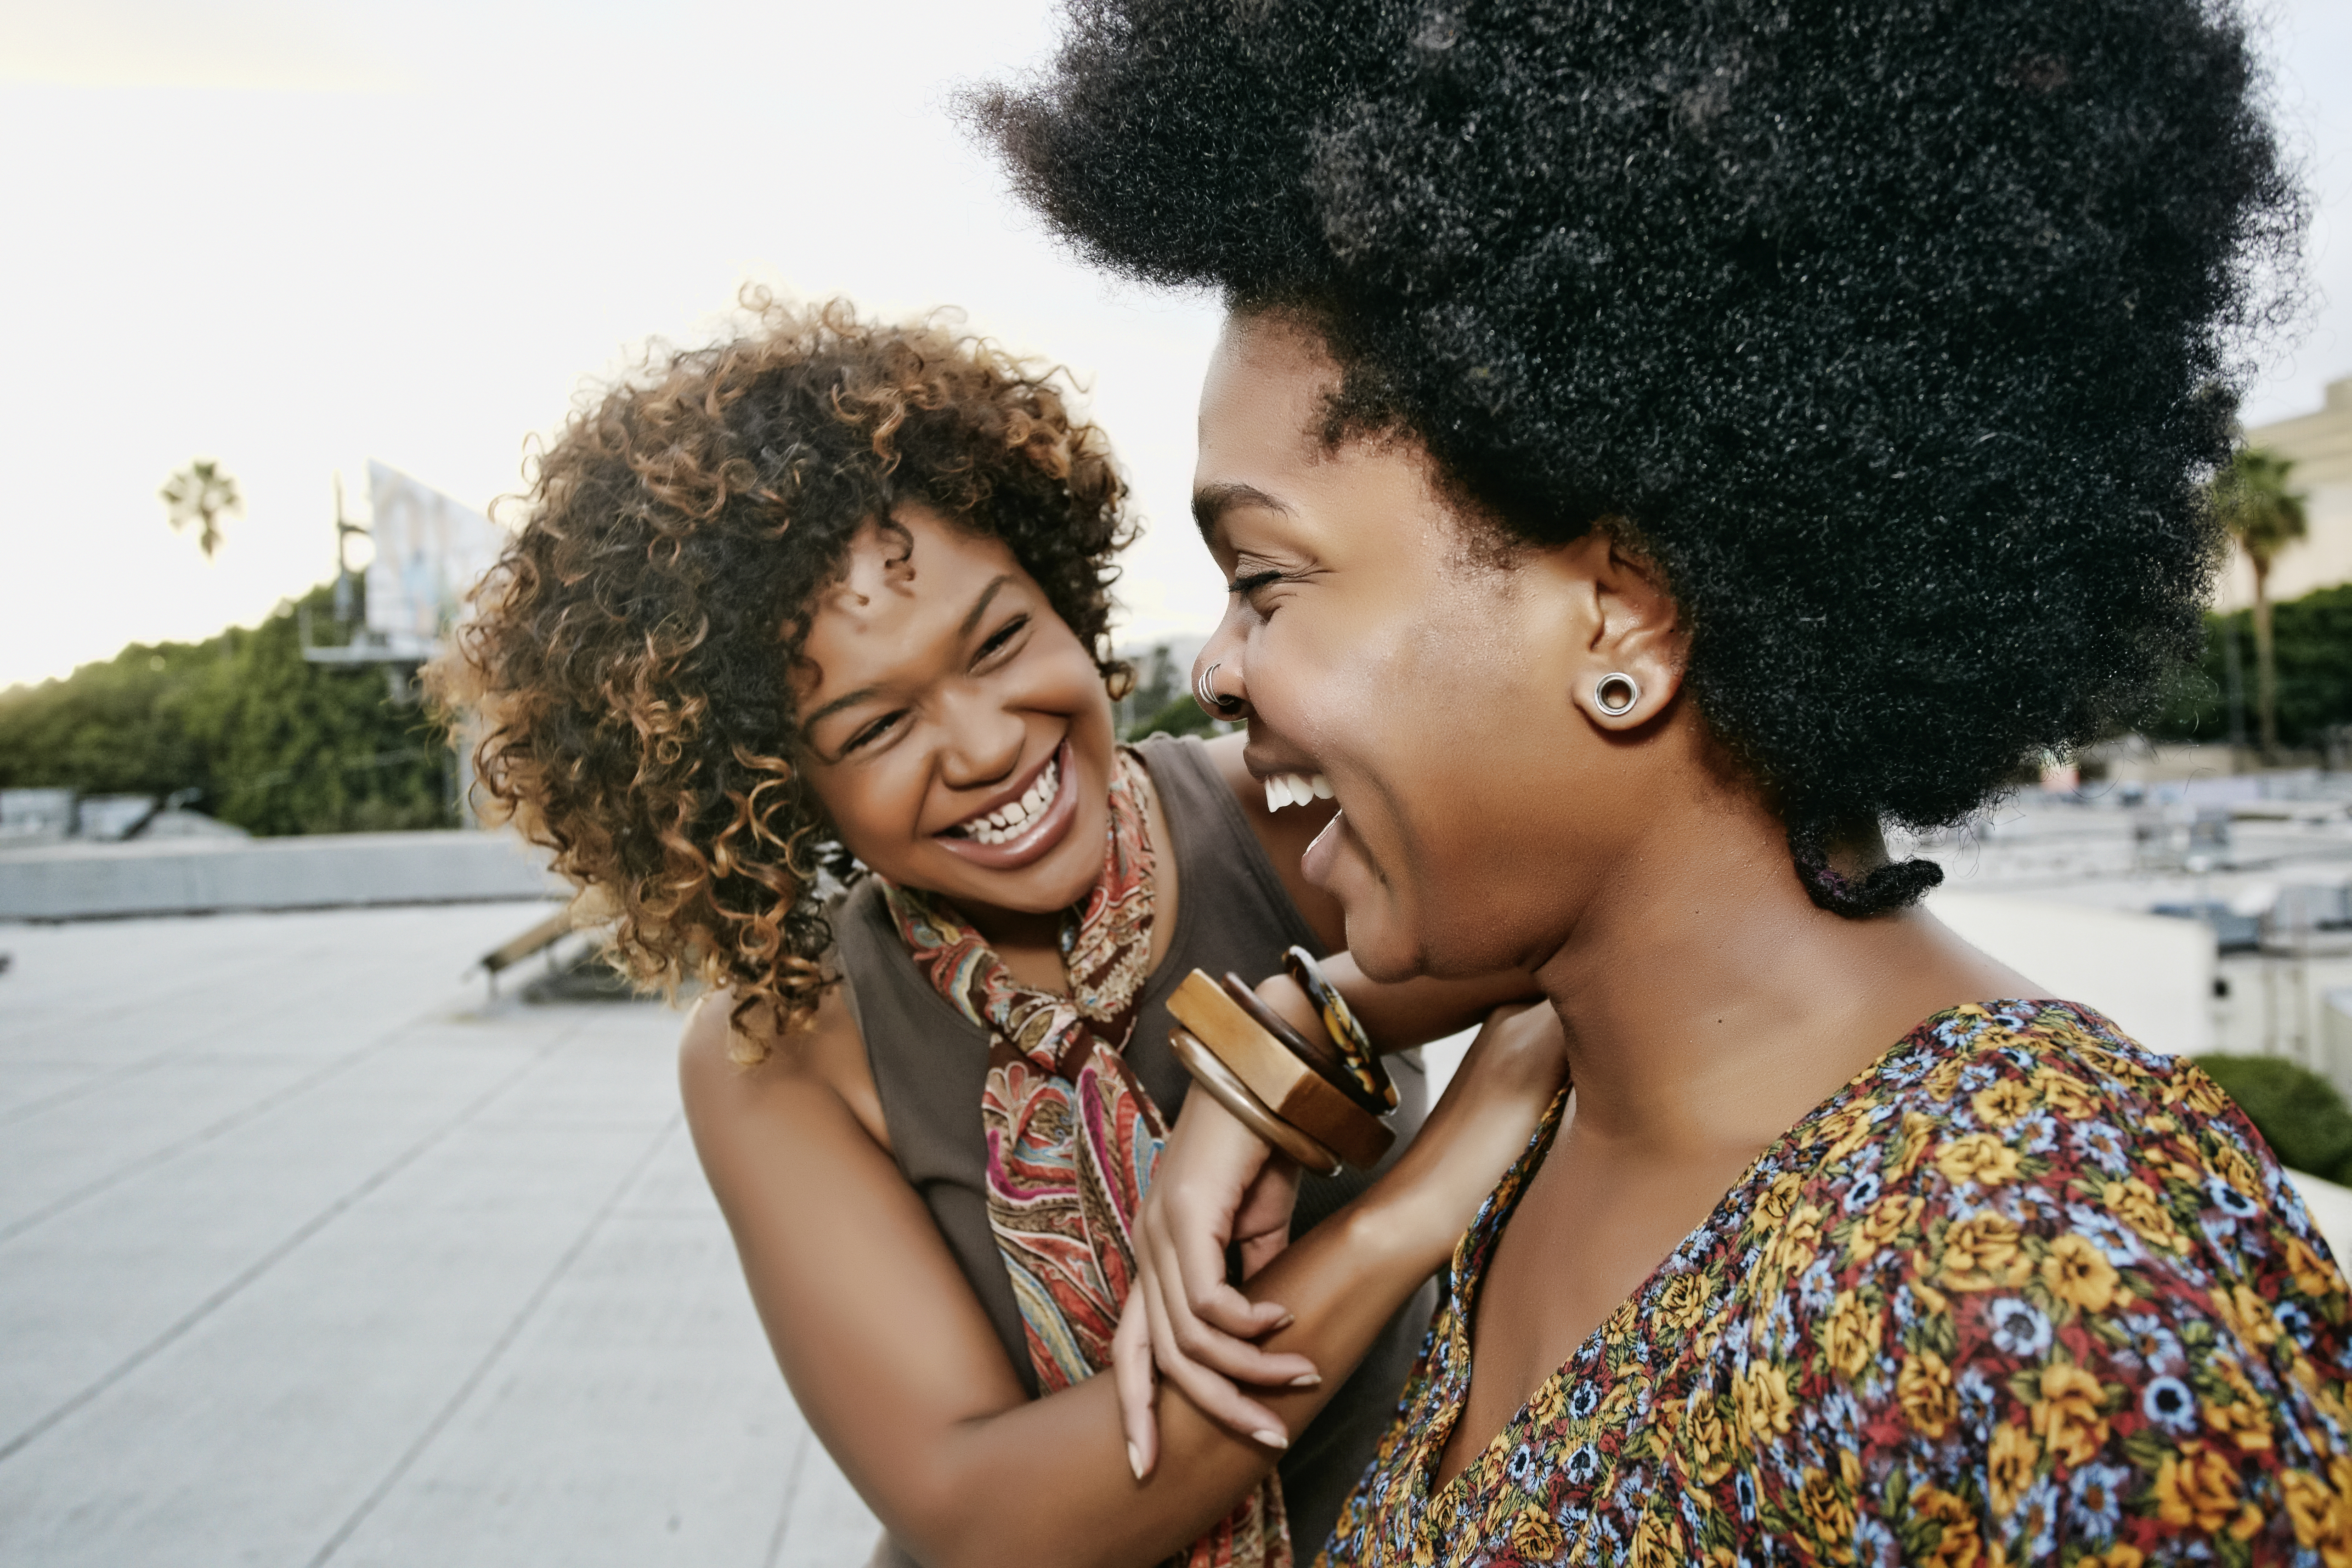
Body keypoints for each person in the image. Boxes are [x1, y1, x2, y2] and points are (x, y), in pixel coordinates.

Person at [972, 0, 2352, 1562]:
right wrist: (1286, 1045)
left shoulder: (2049, 1292)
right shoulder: (1591, 1101)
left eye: (1268, 580)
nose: (1217, 672)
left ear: (1625, 617)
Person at [430, 297, 1565, 1568]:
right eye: (873, 729)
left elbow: (1613, 893)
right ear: (774, 783)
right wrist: (1410, 1214)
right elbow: (987, 1517)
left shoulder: (1289, 819)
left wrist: (1270, 1060)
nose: (982, 746)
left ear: (1068, 595)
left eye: (1001, 640)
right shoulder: (785, 1056)